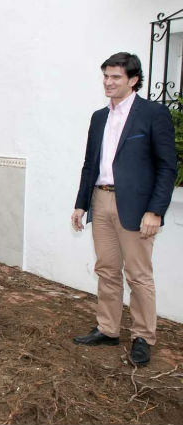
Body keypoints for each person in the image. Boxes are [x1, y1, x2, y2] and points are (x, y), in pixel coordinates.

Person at [71, 52, 177, 367]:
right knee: (106, 269)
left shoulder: (153, 113)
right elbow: (90, 164)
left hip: (137, 207)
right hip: (100, 200)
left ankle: (143, 336)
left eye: (115, 77)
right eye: (105, 76)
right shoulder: (98, 117)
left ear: (132, 80)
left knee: (139, 275)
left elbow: (167, 166)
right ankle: (108, 328)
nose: (108, 82)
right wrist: (81, 203)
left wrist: (155, 210)